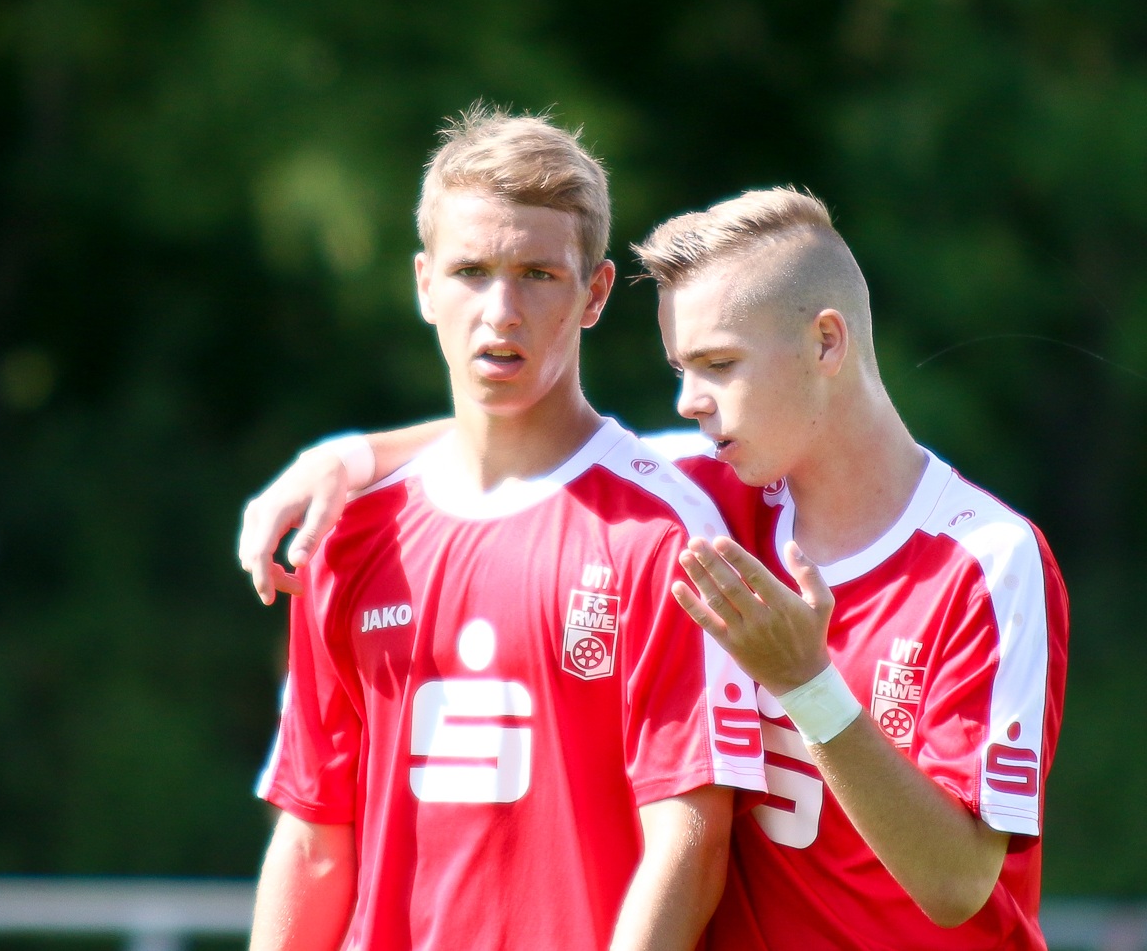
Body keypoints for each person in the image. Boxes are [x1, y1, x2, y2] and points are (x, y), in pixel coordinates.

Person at [240, 188, 1069, 949]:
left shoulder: (987, 560)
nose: (688, 401)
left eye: (717, 365)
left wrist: (809, 683)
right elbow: (540, 445)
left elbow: (958, 882)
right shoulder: (712, 493)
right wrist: (348, 457)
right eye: (680, 370)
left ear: (826, 342)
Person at [247, 107, 765, 951]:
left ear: (595, 293)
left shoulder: (664, 533)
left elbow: (691, 840)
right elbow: (313, 840)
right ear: (423, 284)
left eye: (537, 273)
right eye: (471, 271)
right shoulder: (349, 536)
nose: (502, 309)